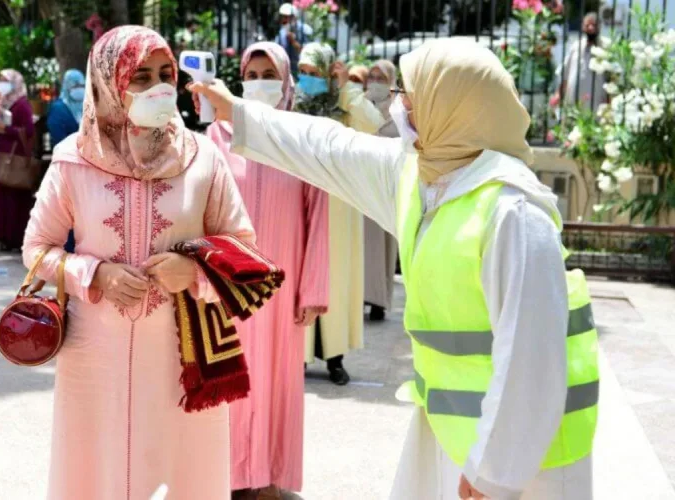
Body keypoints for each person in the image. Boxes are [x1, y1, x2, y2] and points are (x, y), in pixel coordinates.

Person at [191, 37, 599, 499]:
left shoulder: (513, 212)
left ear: (452, 108)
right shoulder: (425, 176)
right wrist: (238, 113)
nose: (399, 106)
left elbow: (533, 360)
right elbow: (328, 147)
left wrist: (493, 474)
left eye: (412, 95)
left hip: (528, 461)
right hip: (454, 432)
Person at [23, 26, 254, 500]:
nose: (158, 88)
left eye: (165, 74)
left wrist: (193, 271)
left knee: (183, 471)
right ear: (110, 83)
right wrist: (95, 274)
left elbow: (243, 243)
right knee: (94, 471)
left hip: (180, 352)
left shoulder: (203, 157)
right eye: (141, 77)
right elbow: (37, 249)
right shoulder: (73, 159)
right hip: (95, 357)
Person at [207, 41, 329, 499]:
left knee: (275, 381)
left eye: (268, 73)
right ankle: (228, 475)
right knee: (227, 376)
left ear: (285, 79)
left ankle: (269, 479)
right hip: (227, 287)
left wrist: (311, 288)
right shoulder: (216, 136)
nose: (259, 82)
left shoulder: (299, 139)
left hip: (282, 285)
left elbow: (318, 214)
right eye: (251, 73)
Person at [295, 43, 384, 385]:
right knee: (300, 275)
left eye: (315, 73)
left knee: (334, 277)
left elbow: (374, 122)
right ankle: (298, 355)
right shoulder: (294, 105)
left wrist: (346, 86)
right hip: (299, 200)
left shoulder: (346, 106)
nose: (308, 80)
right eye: (303, 72)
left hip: (336, 205)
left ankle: (335, 357)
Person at [0, 70, 36, 251]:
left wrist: (7, 130)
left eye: (6, 81)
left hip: (13, 157)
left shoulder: (21, 105)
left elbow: (28, 131)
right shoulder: (2, 102)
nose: (2, 84)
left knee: (11, 198)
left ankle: (12, 238)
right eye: (0, 81)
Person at [363, 59, 400, 321]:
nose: (375, 82)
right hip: (361, 184)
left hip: (386, 187)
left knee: (383, 246)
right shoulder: (359, 106)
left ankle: (379, 300)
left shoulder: (399, 112)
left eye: (381, 78)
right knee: (361, 246)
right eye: (372, 76)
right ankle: (361, 295)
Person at [47, 69, 86, 253]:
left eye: (82, 85)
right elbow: (58, 137)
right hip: (67, 167)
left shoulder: (88, 107)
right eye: (74, 85)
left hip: (89, 168)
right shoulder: (59, 108)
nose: (79, 89)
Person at [552, 13, 608, 111]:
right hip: (574, 101)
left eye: (593, 25)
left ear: (599, 27)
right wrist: (558, 95)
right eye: (587, 25)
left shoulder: (606, 48)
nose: (590, 28)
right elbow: (565, 74)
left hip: (597, 103)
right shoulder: (576, 46)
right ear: (582, 27)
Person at [275, 3, 314, 75]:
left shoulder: (305, 30)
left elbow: (310, 54)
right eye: (283, 17)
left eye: (287, 17)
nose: (284, 20)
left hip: (304, 72)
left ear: (295, 17)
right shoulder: (281, 32)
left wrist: (293, 42)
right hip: (287, 72)